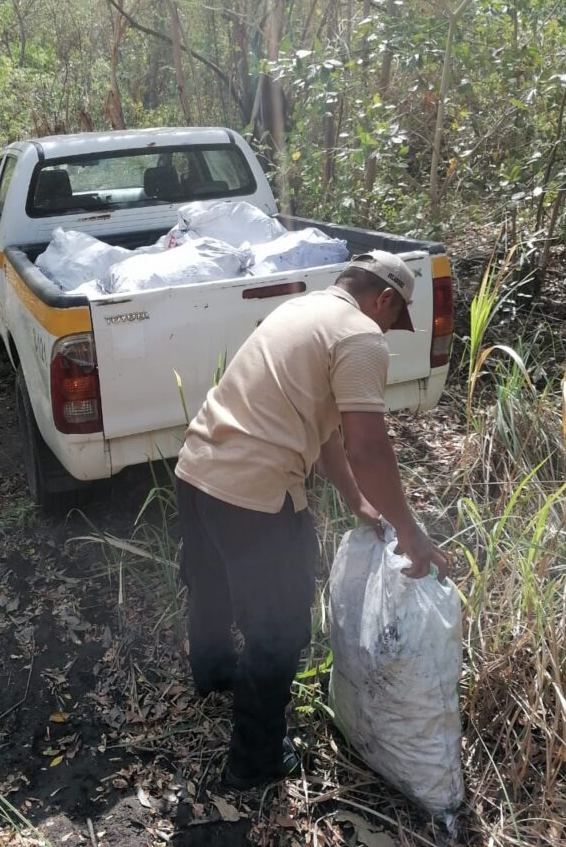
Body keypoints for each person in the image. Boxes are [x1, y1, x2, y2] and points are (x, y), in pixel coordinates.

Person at [174, 249, 450, 791]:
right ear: (385, 298)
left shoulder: (302, 311)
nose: (389, 331)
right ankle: (254, 761)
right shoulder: (361, 336)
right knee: (278, 630)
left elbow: (323, 431)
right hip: (253, 493)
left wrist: (358, 502)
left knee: (211, 583)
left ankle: (212, 673)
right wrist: (411, 532)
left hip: (197, 470)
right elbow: (368, 447)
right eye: (394, 319)